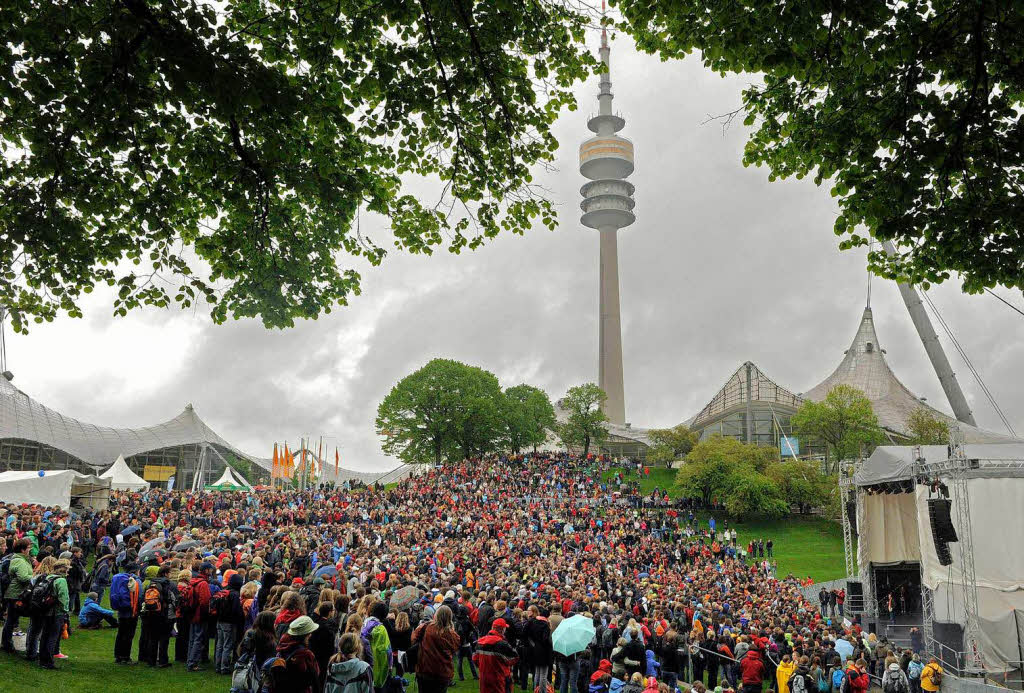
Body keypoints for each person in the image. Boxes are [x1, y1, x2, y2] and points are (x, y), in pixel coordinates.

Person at [412, 605, 462, 693]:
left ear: (436, 615)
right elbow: (456, 647)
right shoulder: (452, 634)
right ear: (450, 617)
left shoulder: (426, 627)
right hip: (442, 672)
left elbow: (413, 639)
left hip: (425, 669)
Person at [35, 558, 70, 670]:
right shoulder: (61, 581)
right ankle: (49, 662)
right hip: (56, 612)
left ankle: (42, 660)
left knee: (45, 635)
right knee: (53, 637)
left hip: (45, 610)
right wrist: (65, 611)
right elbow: (63, 598)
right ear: (64, 569)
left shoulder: (48, 577)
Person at [273, 614, 321, 693]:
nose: (311, 635)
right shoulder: (306, 654)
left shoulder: (282, 645)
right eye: (309, 633)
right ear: (305, 635)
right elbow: (315, 675)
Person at [139, 564, 175, 668]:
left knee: (152, 638)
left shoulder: (151, 583)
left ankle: (151, 661)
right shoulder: (169, 584)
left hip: (151, 613)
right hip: (164, 615)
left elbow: (143, 598)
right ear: (166, 573)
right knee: (164, 639)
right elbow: (174, 599)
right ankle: (163, 661)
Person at [1, 538, 33, 653]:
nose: (30, 549)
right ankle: (7, 644)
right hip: (16, 593)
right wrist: (34, 578)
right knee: (11, 620)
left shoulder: (20, 559)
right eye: (28, 547)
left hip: (16, 592)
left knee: (11, 619)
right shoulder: (19, 560)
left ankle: (7, 643)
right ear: (23, 549)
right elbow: (23, 577)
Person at [475, 618, 518, 693]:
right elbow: (514, 658)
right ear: (502, 630)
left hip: (484, 678)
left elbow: (475, 660)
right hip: (499, 678)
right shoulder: (502, 644)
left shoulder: (480, 642)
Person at [214, 572, 245, 674]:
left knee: (220, 644)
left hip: (219, 621)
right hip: (229, 622)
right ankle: (225, 667)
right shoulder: (235, 594)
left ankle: (218, 666)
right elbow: (236, 610)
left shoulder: (223, 591)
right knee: (227, 645)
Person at [186, 561, 214, 671]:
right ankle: (193, 664)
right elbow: (205, 601)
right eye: (210, 569)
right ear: (206, 570)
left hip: (192, 613)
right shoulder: (203, 583)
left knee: (193, 638)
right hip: (199, 614)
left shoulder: (193, 580)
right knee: (198, 639)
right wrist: (208, 614)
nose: (212, 571)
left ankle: (190, 661)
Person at [110, 563, 141, 664]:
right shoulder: (135, 580)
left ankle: (118, 656)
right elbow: (139, 596)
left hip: (121, 609)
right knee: (128, 634)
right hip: (131, 610)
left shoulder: (118, 578)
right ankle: (126, 657)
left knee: (121, 633)